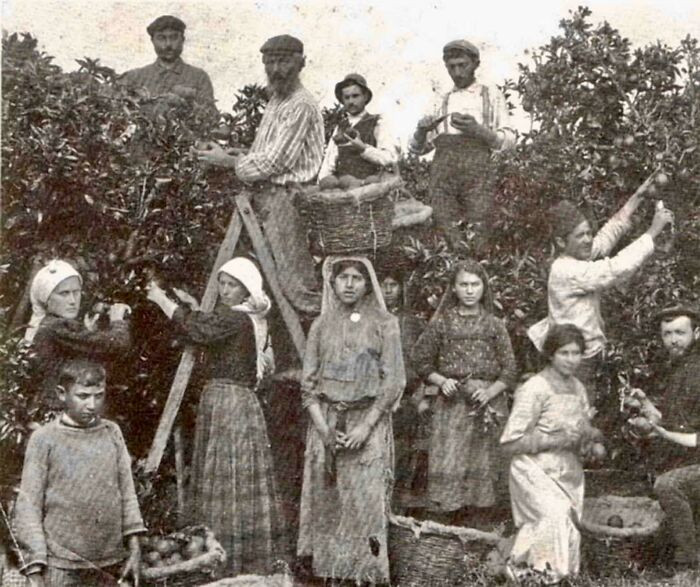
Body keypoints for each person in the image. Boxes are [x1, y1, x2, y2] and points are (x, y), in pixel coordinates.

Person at [146, 257, 279, 575]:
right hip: (227, 400)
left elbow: (199, 329)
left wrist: (161, 300)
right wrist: (193, 305)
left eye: (232, 285)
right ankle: (225, 551)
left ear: (247, 291)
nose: (224, 289)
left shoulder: (236, 318)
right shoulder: (245, 317)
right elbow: (208, 323)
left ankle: (226, 554)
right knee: (227, 471)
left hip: (228, 402)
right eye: (222, 282)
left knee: (226, 468)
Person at [194, 34, 325, 315]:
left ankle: (325, 350)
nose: (276, 69)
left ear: (300, 63)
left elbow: (275, 162)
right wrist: (229, 153)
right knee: (267, 279)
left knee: (297, 286)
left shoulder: (300, 104)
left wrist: (228, 163)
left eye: (284, 62)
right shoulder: (277, 100)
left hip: (286, 199)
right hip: (266, 196)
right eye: (271, 62)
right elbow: (263, 152)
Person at [297, 257, 405, 585]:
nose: (349, 284)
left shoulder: (385, 323)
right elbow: (309, 385)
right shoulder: (321, 325)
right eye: (343, 277)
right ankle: (329, 574)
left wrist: (365, 427)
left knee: (365, 500)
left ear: (367, 283)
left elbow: (394, 381)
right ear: (333, 282)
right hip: (326, 423)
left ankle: (366, 575)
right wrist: (323, 428)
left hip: (367, 422)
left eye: (357, 278)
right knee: (329, 499)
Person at [528, 183, 675, 391]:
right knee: (577, 407)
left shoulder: (577, 255)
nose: (588, 240)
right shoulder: (566, 270)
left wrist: (638, 196)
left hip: (585, 351)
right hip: (575, 357)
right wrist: (652, 232)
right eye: (580, 236)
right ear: (561, 242)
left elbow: (606, 237)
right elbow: (615, 269)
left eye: (588, 232)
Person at [14, 359, 145, 586]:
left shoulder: (111, 432)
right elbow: (28, 505)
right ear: (62, 394)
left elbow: (127, 492)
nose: (92, 405)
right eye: (83, 396)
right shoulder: (45, 439)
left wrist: (134, 548)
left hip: (110, 561)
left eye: (99, 395)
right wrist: (35, 566)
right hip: (62, 564)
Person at [412, 259, 517, 526]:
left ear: (484, 288)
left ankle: (480, 528)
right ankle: (448, 527)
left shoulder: (494, 325)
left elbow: (510, 370)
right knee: (451, 462)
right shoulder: (442, 324)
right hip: (452, 406)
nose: (470, 290)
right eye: (464, 285)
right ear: (454, 289)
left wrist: (491, 391)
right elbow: (421, 360)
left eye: (475, 284)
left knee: (484, 465)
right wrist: (441, 380)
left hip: (486, 406)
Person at [501, 324, 602, 585]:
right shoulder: (535, 388)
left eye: (577, 353)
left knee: (567, 525)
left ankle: (539, 575)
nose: (571, 360)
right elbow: (510, 443)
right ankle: (540, 576)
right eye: (564, 353)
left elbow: (580, 429)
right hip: (532, 469)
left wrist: (591, 441)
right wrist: (554, 440)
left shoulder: (578, 387)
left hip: (568, 471)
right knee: (554, 515)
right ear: (550, 355)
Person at [409, 39, 515, 251]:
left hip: (477, 173)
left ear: (475, 63)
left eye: (462, 65)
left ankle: (478, 275)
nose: (457, 72)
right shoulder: (442, 99)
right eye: (452, 67)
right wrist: (421, 131)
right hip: (443, 174)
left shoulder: (490, 94)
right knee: (445, 228)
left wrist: (479, 131)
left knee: (479, 227)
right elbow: (419, 149)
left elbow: (510, 140)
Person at [627, 304, 700, 573]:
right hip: (690, 457)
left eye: (680, 332)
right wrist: (645, 404)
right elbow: (674, 421)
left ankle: (689, 563)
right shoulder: (678, 368)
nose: (673, 340)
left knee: (668, 485)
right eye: (667, 334)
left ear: (697, 332)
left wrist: (657, 431)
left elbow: (690, 436)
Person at [23, 259, 131, 411]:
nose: (73, 301)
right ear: (46, 298)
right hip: (60, 412)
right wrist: (117, 320)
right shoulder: (56, 326)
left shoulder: (50, 325)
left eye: (76, 292)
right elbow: (117, 344)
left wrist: (89, 331)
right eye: (64, 294)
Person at [378, 269, 428, 512]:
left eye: (393, 285)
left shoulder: (410, 322)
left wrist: (417, 390)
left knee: (401, 453)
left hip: (405, 398)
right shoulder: (369, 317)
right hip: (374, 396)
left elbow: (419, 360)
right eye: (383, 284)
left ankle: (397, 506)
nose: (388, 290)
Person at [121, 15, 215, 110]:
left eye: (174, 37)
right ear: (152, 41)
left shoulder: (198, 77)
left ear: (182, 40)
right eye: (161, 38)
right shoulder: (135, 77)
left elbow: (210, 116)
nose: (168, 44)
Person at [318, 73, 398, 182]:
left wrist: (364, 149)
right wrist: (322, 185)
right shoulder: (340, 127)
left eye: (355, 96)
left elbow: (390, 158)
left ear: (365, 97)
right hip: (342, 189)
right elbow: (328, 164)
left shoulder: (378, 122)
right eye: (347, 97)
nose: (351, 101)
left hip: (369, 188)